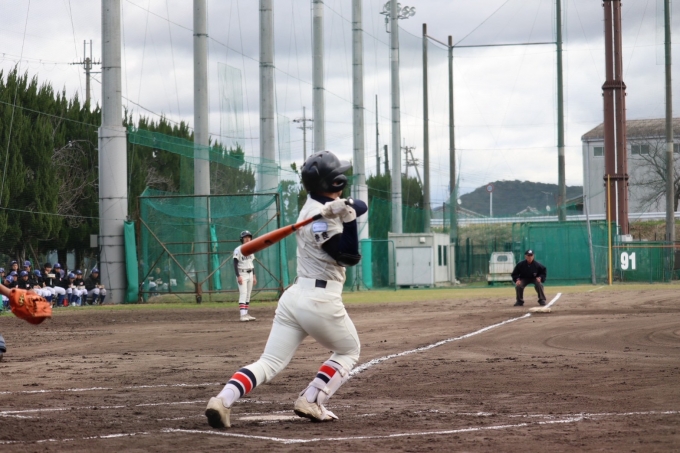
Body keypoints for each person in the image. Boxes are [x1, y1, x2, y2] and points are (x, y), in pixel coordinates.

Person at [205, 150, 367, 429]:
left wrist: (346, 206)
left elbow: (360, 205)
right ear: (335, 182)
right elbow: (348, 258)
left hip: (294, 298)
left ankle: (222, 400)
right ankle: (312, 399)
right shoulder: (318, 218)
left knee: (269, 362)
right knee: (349, 351)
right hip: (320, 300)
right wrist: (349, 220)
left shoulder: (317, 205)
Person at [233, 231, 257, 322]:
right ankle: (242, 315)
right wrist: (238, 276)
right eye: (245, 237)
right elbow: (235, 264)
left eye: (249, 237)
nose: (247, 239)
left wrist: (254, 275)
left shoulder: (251, 249)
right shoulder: (238, 250)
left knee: (248, 294)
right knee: (243, 293)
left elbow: (251, 263)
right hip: (242, 273)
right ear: (242, 239)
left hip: (250, 273)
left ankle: (246, 313)